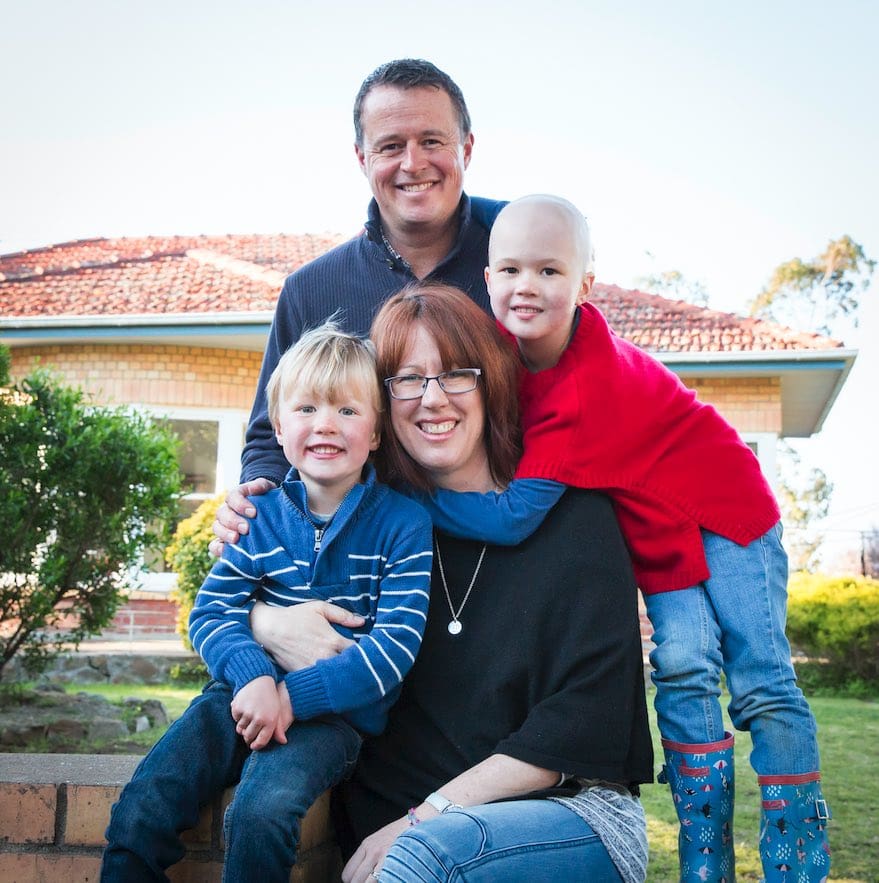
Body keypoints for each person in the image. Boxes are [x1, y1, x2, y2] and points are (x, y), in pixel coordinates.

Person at [417, 194, 831, 883]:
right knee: (682, 670)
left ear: (584, 285)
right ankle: (706, 860)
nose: (527, 285)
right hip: (659, 525)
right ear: (485, 279)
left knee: (760, 679)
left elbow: (512, 514)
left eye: (549, 271)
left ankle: (795, 862)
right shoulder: (511, 362)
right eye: (511, 268)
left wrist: (410, 498)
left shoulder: (583, 385)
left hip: (725, 508)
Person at [250, 284, 655, 883]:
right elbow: (244, 597)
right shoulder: (372, 531)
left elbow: (579, 719)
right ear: (382, 407)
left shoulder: (574, 516)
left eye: (456, 374)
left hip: (562, 815)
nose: (432, 399)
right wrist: (264, 619)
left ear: (490, 383)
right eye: (408, 380)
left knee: (423, 861)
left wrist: (425, 819)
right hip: (393, 831)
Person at [101, 323, 434, 882]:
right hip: (235, 696)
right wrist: (254, 677)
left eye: (348, 411)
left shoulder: (403, 526)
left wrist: (289, 696)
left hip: (330, 718)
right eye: (306, 409)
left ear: (377, 432)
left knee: (261, 811)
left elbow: (392, 651)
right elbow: (211, 612)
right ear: (279, 429)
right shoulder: (258, 519)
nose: (326, 423)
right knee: (147, 799)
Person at [223, 58, 505, 508]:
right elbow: (269, 436)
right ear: (362, 158)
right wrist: (256, 493)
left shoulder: (518, 270)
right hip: (360, 567)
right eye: (391, 146)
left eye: (431, 141)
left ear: (466, 149)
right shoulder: (310, 291)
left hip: (508, 555)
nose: (412, 163)